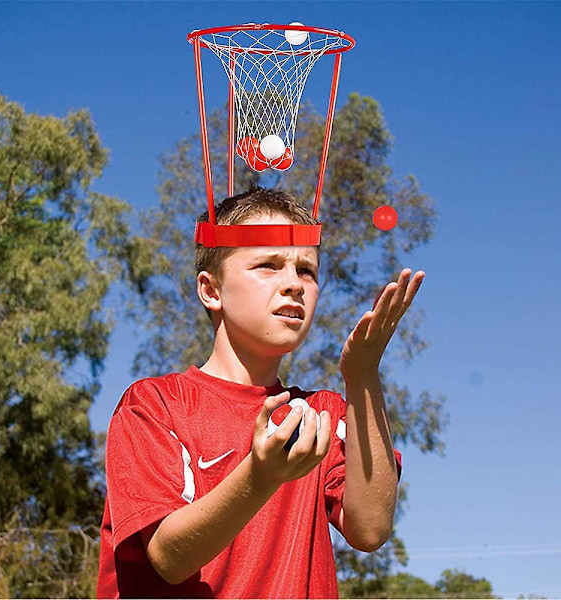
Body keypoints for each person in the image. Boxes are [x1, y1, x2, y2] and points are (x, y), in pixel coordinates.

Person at [96, 186, 425, 598]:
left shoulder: (322, 414)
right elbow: (169, 558)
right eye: (268, 265)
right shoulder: (155, 405)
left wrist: (362, 377)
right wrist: (261, 475)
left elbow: (371, 528)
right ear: (211, 290)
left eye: (306, 270)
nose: (294, 284)